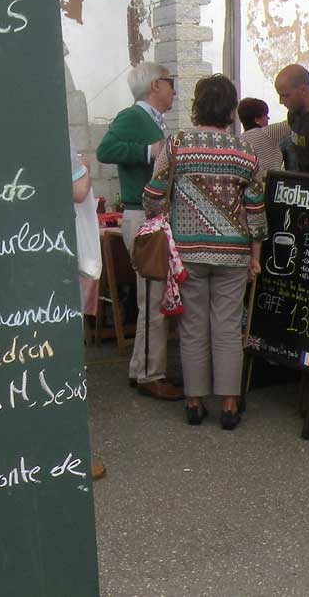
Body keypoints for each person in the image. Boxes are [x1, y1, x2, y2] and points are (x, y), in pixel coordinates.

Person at [142, 74, 266, 430]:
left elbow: (153, 194)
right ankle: (229, 404)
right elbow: (256, 209)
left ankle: (194, 402)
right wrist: (255, 254)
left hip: (188, 253)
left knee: (193, 326)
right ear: (230, 110)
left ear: (197, 105)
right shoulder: (245, 151)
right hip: (234, 253)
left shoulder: (177, 143)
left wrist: (156, 209)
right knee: (228, 327)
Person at [96, 62, 182, 401]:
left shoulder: (149, 119)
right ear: (154, 85)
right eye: (170, 83)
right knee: (153, 299)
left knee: (153, 296)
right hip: (144, 217)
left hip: (148, 217)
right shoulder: (134, 117)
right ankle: (151, 373)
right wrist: (150, 151)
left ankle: (141, 368)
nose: (173, 89)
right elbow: (105, 150)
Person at [72, 152, 106, 481]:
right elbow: (79, 190)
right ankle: (71, 453)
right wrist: (85, 167)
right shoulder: (50, 137)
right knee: (65, 361)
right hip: (50, 254)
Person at [239, 80, 309, 175]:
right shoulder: (266, 133)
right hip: (268, 183)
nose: (268, 118)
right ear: (256, 120)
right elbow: (295, 122)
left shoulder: (241, 139)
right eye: (265, 115)